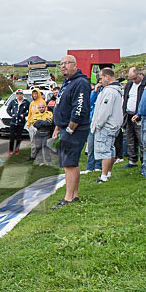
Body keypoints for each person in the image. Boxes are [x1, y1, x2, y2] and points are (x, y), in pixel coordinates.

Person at [51, 55, 91, 209]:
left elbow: (79, 109)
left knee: (69, 163)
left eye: (66, 63)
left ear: (75, 65)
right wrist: (58, 127)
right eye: (61, 64)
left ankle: (68, 199)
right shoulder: (67, 83)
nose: (63, 66)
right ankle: (73, 195)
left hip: (75, 130)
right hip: (65, 128)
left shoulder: (80, 83)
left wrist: (69, 129)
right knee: (70, 163)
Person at [91, 68, 124, 183]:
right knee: (110, 148)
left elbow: (105, 110)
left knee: (104, 150)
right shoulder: (116, 90)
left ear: (107, 77)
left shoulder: (109, 92)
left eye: (100, 78)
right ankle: (108, 172)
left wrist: (99, 124)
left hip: (106, 125)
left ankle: (103, 176)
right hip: (114, 125)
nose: (100, 81)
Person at [121, 67, 146, 168]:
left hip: (140, 115)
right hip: (128, 115)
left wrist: (140, 114)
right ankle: (132, 160)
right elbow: (125, 98)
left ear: (140, 74)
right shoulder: (129, 84)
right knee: (130, 138)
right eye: (131, 79)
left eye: (134, 78)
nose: (133, 81)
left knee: (142, 139)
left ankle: (144, 161)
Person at [29, 101, 55, 166]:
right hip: (38, 133)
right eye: (40, 107)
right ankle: (40, 162)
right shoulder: (35, 114)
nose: (41, 109)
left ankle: (48, 162)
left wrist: (39, 121)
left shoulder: (49, 113)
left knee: (46, 148)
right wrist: (43, 122)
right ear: (38, 108)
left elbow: (48, 123)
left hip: (46, 133)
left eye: (43, 107)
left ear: (45, 107)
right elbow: (35, 124)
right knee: (38, 147)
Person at [5, 90, 29, 155]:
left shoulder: (26, 102)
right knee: (12, 137)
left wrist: (24, 114)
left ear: (22, 95)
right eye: (18, 94)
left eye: (20, 94)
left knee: (19, 137)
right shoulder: (13, 102)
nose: (19, 95)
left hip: (21, 122)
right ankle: (10, 150)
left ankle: (17, 150)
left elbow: (29, 111)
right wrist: (11, 114)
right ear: (16, 95)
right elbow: (8, 109)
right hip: (13, 122)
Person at [27, 88, 46, 162]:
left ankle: (40, 158)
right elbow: (29, 114)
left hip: (39, 126)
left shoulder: (42, 102)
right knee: (33, 142)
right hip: (32, 125)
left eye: (36, 93)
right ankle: (32, 156)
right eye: (33, 94)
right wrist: (29, 124)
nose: (34, 95)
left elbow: (45, 114)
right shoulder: (32, 103)